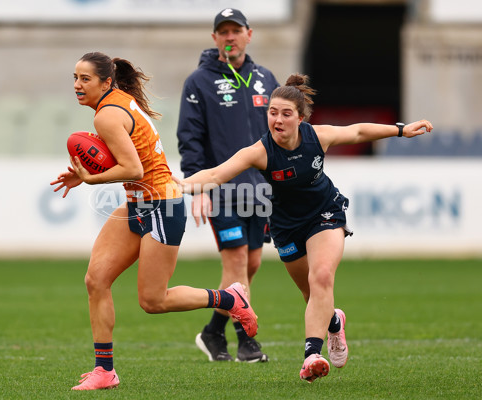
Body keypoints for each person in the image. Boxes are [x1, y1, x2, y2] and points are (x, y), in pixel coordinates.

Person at [178, 73, 433, 382]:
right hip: (285, 226)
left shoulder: (316, 136)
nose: (278, 119)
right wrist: (176, 184)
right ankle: (334, 323)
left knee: (322, 275)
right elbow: (216, 175)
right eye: (273, 112)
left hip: (325, 213)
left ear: (300, 118)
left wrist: (402, 130)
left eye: (286, 113)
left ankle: (312, 355)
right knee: (310, 291)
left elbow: (357, 131)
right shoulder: (259, 152)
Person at [50, 52, 259, 391]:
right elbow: (128, 165)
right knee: (96, 279)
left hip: (162, 205)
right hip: (138, 202)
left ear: (106, 83)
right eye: (75, 77)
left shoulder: (107, 115)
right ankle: (105, 371)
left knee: (153, 301)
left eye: (85, 79)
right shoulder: (116, 104)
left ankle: (229, 299)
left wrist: (90, 179)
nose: (77, 85)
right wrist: (86, 174)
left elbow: (133, 169)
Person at [176, 8, 279, 363]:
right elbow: (190, 139)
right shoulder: (199, 82)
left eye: (236, 31)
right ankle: (247, 343)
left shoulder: (266, 78)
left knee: (251, 266)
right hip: (222, 191)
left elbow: (278, 137)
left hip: (261, 192)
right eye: (223, 32)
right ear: (215, 38)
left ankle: (212, 333)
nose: (230, 37)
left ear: (249, 34)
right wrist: (199, 188)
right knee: (236, 264)